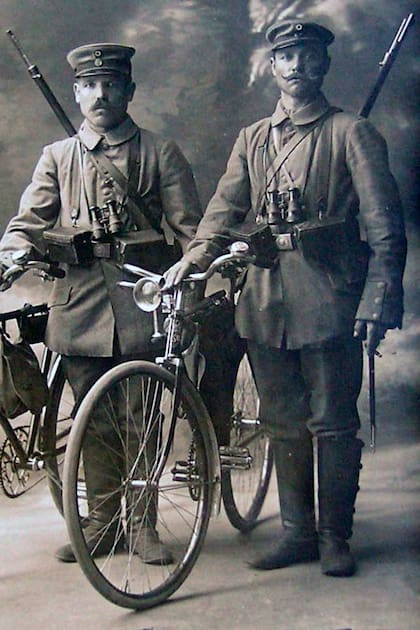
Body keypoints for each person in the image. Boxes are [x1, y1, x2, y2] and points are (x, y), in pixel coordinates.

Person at [164, 19, 407, 577]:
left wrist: (378, 295)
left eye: (307, 54)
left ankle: (333, 536)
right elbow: (224, 211)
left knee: (332, 422)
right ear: (271, 67)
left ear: (324, 63)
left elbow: (384, 225)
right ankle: (297, 533)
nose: (296, 65)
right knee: (281, 420)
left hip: (329, 296)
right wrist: (193, 261)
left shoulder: (351, 132)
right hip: (265, 298)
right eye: (286, 56)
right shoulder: (251, 139)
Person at [0, 42, 204, 564]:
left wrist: (190, 289)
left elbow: (189, 232)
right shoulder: (59, 156)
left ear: (129, 91)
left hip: (143, 298)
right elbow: (28, 224)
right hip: (81, 302)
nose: (100, 94)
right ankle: (103, 522)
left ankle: (142, 527)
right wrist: (12, 256)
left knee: (141, 415)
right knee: (93, 418)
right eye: (89, 86)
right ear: (76, 92)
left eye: (111, 84)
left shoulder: (160, 152)